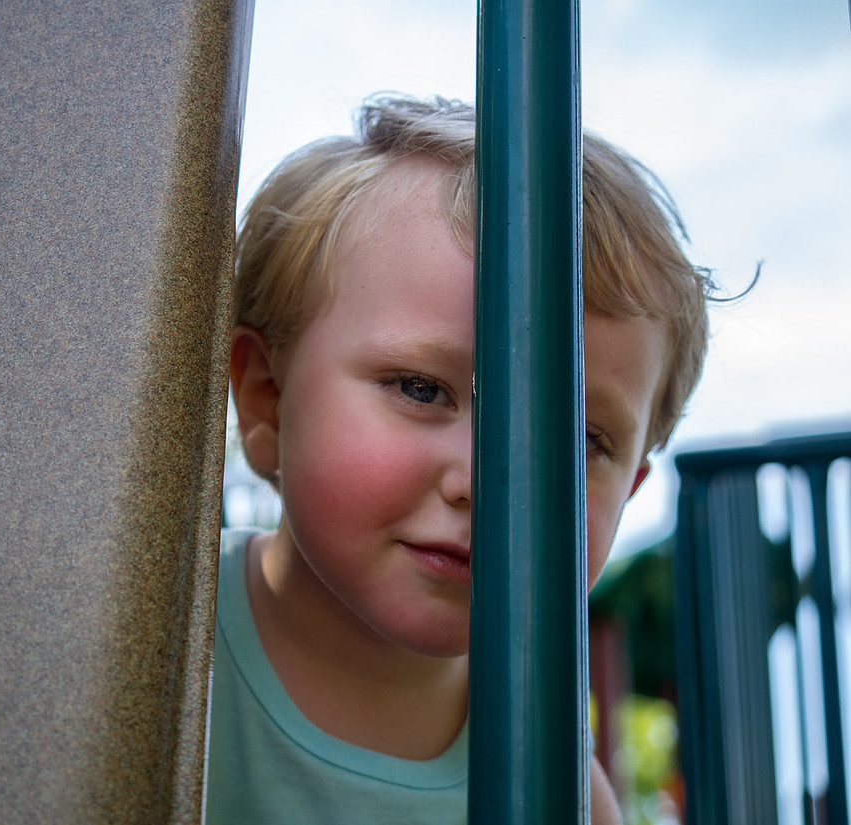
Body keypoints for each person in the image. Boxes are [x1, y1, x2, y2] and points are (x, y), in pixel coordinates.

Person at [205, 95, 710, 824]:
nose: (484, 483)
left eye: (577, 441)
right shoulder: (152, 631)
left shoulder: (548, 766)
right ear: (267, 398)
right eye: (420, 389)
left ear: (626, 491)